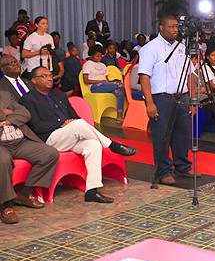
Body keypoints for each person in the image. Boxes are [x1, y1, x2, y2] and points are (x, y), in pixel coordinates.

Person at [20, 67, 137, 203]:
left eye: (51, 75)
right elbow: (36, 127)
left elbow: (75, 117)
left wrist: (70, 122)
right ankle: (112, 145)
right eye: (44, 76)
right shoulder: (28, 100)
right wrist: (63, 122)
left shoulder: (60, 95)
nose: (50, 78)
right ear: (33, 80)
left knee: (93, 145)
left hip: (69, 135)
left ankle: (92, 191)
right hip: (49, 139)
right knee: (78, 125)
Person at [138, 16, 196, 185]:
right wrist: (149, 103)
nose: (175, 30)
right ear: (161, 28)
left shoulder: (181, 47)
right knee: (162, 137)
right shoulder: (150, 49)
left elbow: (190, 74)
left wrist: (192, 98)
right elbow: (144, 77)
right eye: (171, 27)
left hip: (182, 97)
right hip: (161, 98)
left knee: (183, 134)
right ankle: (163, 170)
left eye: (176, 27)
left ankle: (183, 166)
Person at [0, 90, 59, 224]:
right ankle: (6, 205)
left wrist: (3, 121)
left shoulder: (5, 94)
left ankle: (24, 193)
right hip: (1, 145)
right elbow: (16, 114)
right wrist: (6, 112)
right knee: (3, 161)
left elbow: (25, 114)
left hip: (20, 141)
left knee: (50, 154)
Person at [82, 46, 125, 122]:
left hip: (105, 86)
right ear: (92, 55)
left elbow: (107, 80)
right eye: (97, 56)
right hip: (95, 86)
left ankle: (119, 116)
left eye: (101, 56)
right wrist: (100, 81)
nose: (99, 58)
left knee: (120, 92)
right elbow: (86, 80)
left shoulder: (102, 65)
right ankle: (131, 94)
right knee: (120, 85)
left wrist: (112, 82)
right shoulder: (87, 64)